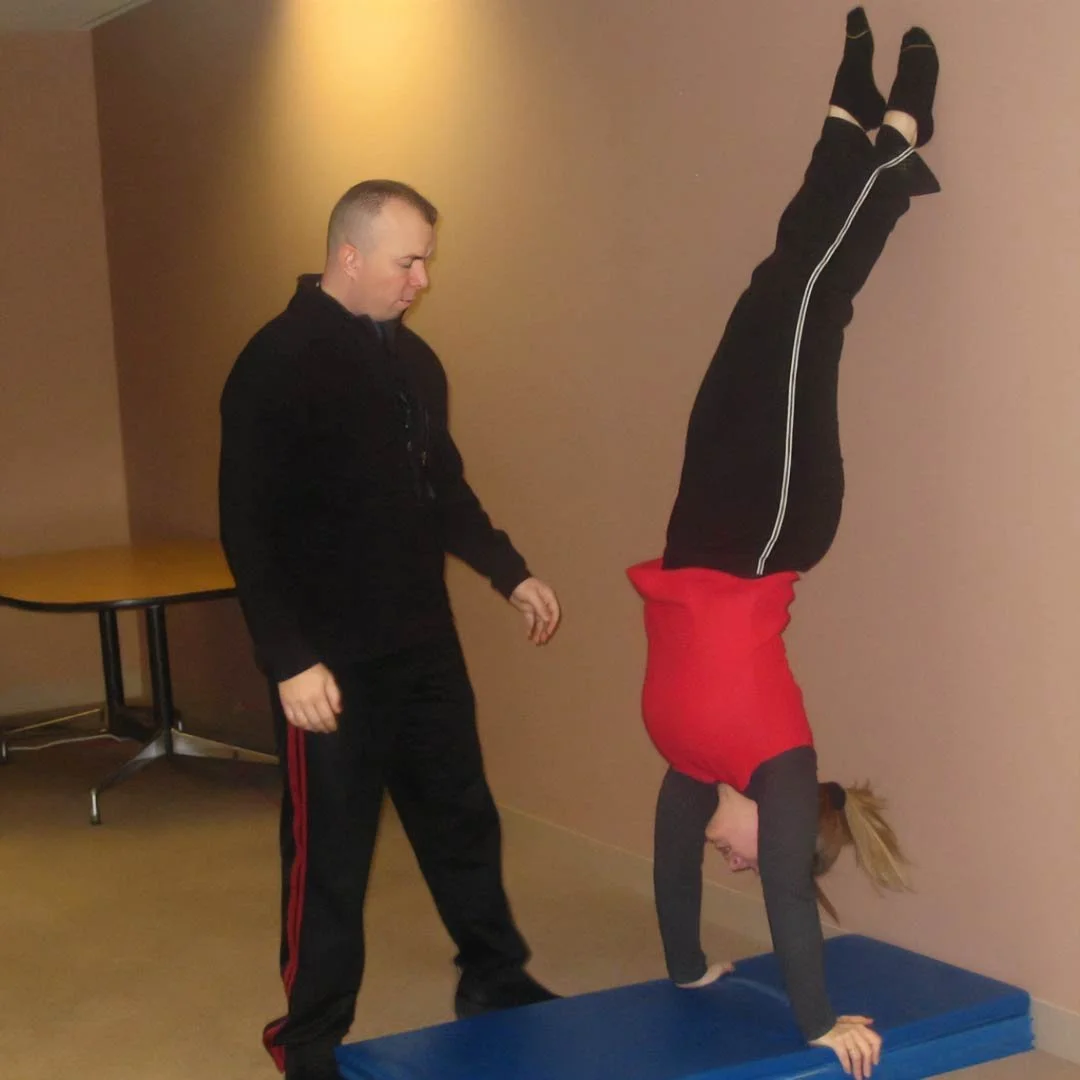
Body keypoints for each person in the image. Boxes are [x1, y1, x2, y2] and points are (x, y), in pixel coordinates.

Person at [627, 11, 938, 1080]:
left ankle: (847, 126)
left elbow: (669, 873)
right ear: (788, 829)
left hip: (699, 529)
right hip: (771, 525)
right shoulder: (777, 763)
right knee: (806, 301)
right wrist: (820, 1026)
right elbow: (790, 914)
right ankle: (896, 147)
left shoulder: (691, 765)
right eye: (752, 858)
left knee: (770, 295)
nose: (726, 857)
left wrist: (686, 970)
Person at [219, 180, 562, 1080]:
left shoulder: (416, 363)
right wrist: (288, 660)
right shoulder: (276, 361)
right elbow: (247, 526)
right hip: (327, 667)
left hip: (421, 643)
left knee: (461, 819)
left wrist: (509, 570)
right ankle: (307, 1039)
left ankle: (494, 977)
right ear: (350, 256)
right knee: (330, 858)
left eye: (426, 262)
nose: (422, 280)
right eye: (409, 262)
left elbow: (443, 488)